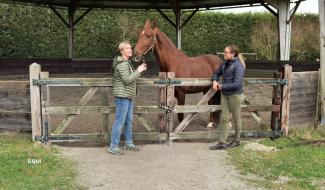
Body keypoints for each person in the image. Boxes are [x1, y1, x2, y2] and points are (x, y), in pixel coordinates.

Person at [108, 41, 147, 155]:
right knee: (119, 121)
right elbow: (127, 79)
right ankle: (113, 146)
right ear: (122, 51)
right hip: (122, 97)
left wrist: (138, 70)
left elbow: (129, 77)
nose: (130, 50)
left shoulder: (127, 63)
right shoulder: (121, 64)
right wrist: (138, 71)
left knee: (128, 121)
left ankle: (128, 143)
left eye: (130, 48)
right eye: (128, 48)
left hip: (128, 96)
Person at [209, 44, 245, 150]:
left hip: (235, 95)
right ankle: (222, 142)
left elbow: (237, 83)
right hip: (225, 95)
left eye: (226, 52)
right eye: (224, 52)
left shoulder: (239, 66)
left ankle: (237, 140)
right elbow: (216, 73)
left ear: (233, 54)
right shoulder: (225, 63)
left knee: (236, 119)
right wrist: (215, 81)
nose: (224, 54)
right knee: (224, 118)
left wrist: (222, 86)